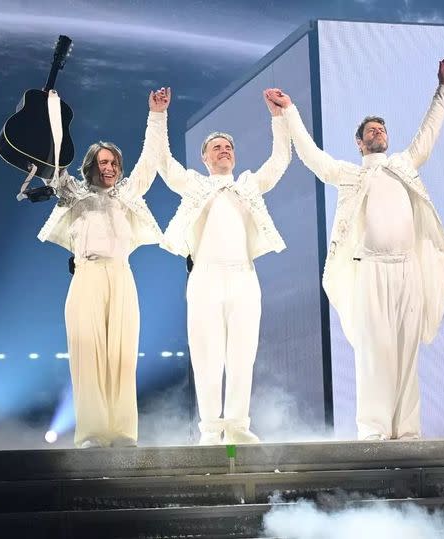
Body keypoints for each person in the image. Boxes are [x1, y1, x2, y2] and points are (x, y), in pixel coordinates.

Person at [267, 57, 444, 441]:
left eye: (382, 128)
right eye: (371, 130)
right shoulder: (351, 175)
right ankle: (372, 431)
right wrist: (289, 113)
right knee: (374, 353)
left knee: (406, 352)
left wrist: (443, 89)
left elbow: (428, 133)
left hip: (407, 271)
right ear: (360, 142)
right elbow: (312, 157)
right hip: (371, 270)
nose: (379, 132)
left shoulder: (404, 165)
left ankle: (406, 432)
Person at [151, 87, 291, 445]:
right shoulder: (195, 185)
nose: (224, 151)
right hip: (205, 278)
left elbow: (279, 163)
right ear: (205, 159)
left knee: (242, 355)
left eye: (228, 147)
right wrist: (159, 116)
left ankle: (238, 426)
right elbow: (164, 163)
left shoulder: (248, 186)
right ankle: (212, 430)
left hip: (243, 277)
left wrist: (279, 118)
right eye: (216, 147)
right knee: (207, 355)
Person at [36, 91, 166, 448]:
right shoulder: (74, 196)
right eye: (102, 163)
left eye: (114, 164)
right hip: (87, 278)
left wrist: (157, 115)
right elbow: (54, 164)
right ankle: (92, 432)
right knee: (88, 355)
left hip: (122, 277)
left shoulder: (127, 196)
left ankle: (122, 432)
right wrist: (51, 112)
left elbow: (151, 162)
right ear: (91, 165)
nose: (109, 168)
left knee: (122, 357)